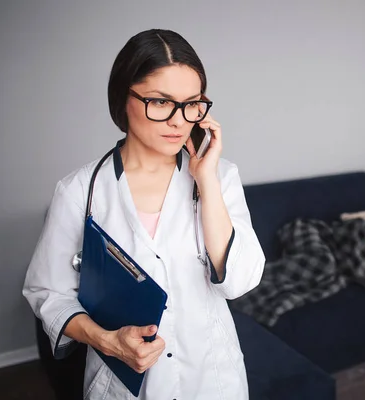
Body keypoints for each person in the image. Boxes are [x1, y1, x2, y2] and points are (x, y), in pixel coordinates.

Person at [22, 29, 265, 400]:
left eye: (192, 104)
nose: (178, 120)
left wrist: (208, 180)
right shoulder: (79, 191)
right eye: (161, 102)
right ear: (123, 98)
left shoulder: (220, 177)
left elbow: (239, 281)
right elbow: (48, 292)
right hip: (122, 387)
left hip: (213, 380)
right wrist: (107, 341)